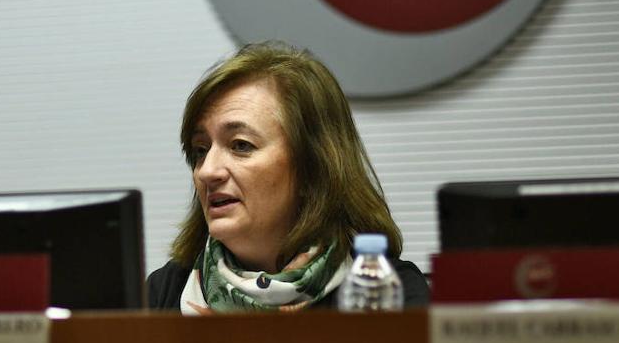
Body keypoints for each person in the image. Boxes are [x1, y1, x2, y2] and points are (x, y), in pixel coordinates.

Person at [148, 41, 429, 312]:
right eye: (201, 150)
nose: (208, 171)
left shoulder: (385, 291)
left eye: (241, 145)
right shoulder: (163, 293)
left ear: (312, 168)